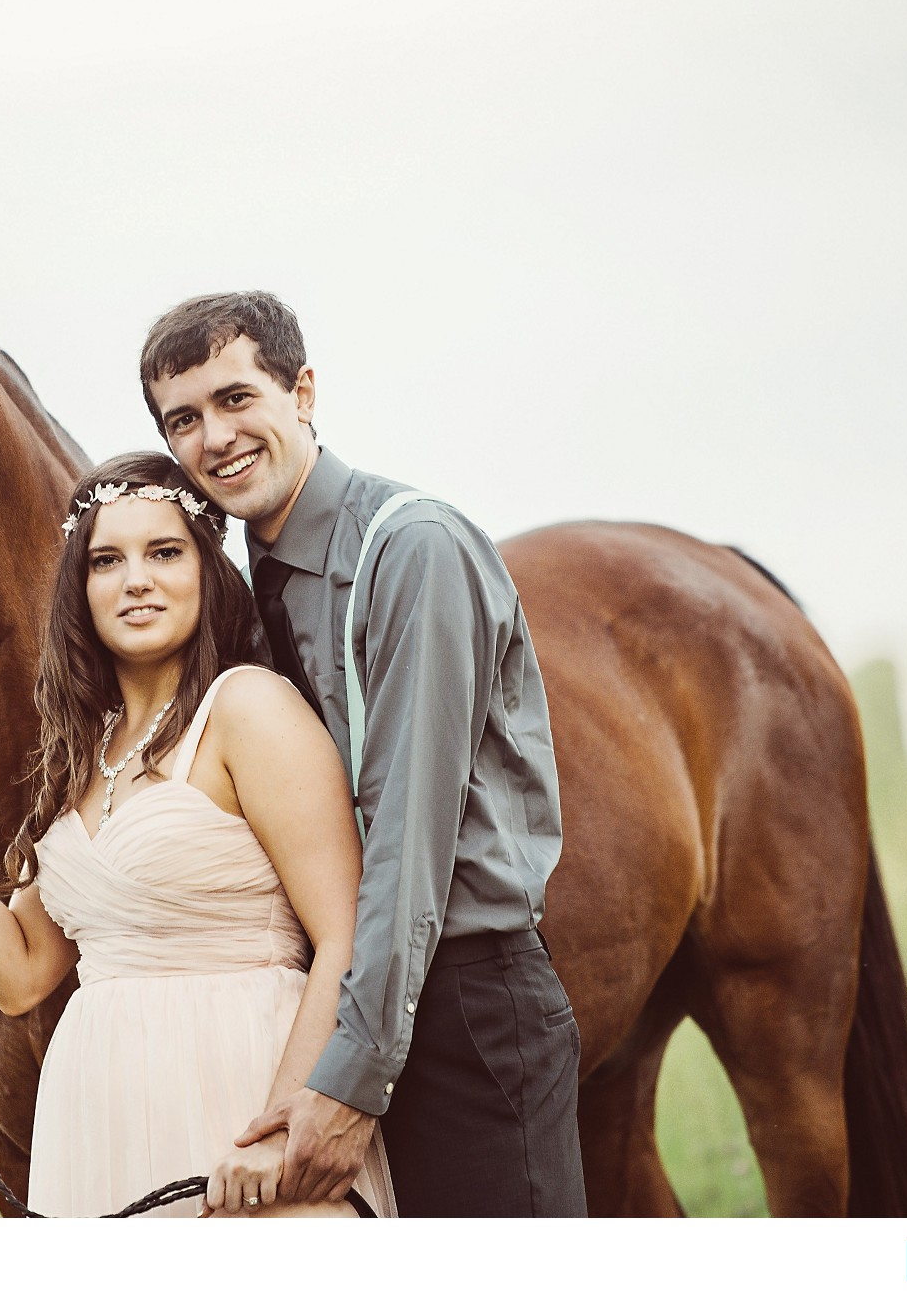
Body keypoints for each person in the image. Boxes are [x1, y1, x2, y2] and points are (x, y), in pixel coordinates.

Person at [0, 451, 396, 1218]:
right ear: (81, 589)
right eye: (107, 559)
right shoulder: (79, 753)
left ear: (205, 570)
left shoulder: (248, 710)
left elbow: (347, 934)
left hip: (240, 1091)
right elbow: (21, 972)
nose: (136, 579)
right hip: (99, 1128)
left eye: (164, 552)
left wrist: (285, 1119)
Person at [140, 292, 587, 1217]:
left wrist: (349, 1083)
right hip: (342, 1012)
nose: (214, 438)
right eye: (183, 419)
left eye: (235, 398)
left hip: (463, 1014)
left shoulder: (412, 548)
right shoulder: (234, 588)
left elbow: (407, 846)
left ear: (302, 391)